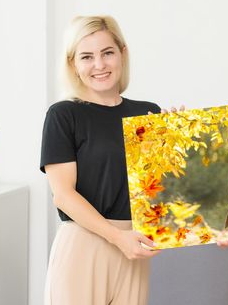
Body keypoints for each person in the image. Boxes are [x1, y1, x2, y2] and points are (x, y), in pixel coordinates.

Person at [40, 15, 162, 305]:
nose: (99, 65)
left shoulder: (149, 114)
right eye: (86, 56)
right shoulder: (63, 115)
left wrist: (177, 138)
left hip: (135, 247)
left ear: (122, 53)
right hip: (84, 245)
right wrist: (117, 238)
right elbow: (63, 195)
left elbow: (162, 192)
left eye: (107, 52)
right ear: (73, 64)